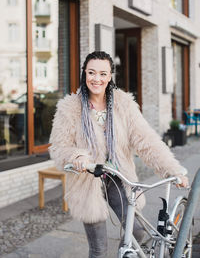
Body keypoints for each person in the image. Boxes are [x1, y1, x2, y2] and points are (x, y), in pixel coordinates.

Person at [49, 51, 188, 258]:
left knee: (136, 232)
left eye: (103, 74)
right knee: (99, 248)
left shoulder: (124, 104)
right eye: (91, 72)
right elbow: (58, 147)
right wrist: (76, 157)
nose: (97, 79)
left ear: (110, 76)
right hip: (88, 179)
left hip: (118, 177)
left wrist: (173, 170)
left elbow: (147, 141)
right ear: (84, 74)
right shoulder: (69, 108)